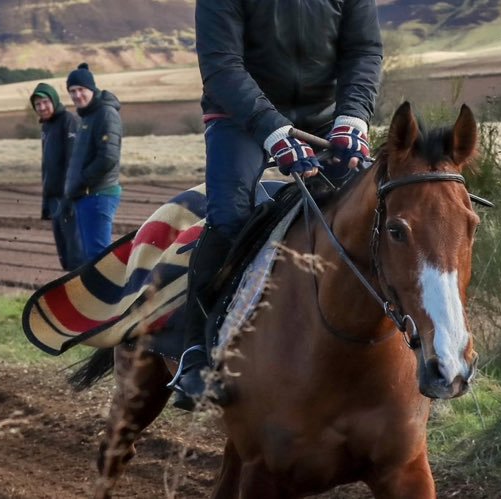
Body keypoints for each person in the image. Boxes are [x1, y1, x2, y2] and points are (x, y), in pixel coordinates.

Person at [167, 0, 383, 410]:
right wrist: (272, 130)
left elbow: (364, 50)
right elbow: (221, 64)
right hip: (238, 116)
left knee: (363, 219)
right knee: (230, 218)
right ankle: (196, 353)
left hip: (326, 117)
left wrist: (353, 116)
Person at [64, 63, 124, 262]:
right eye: (72, 91)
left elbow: (108, 157)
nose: (77, 95)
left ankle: (110, 293)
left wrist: (82, 180)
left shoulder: (105, 114)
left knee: (99, 258)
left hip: (99, 195)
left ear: (91, 89)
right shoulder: (87, 116)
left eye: (81, 89)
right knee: (91, 257)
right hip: (86, 195)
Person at [31, 82, 81, 270]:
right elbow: (47, 167)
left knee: (76, 250)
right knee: (64, 251)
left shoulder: (69, 121)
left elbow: (73, 162)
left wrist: (69, 196)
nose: (42, 107)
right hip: (53, 198)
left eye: (45, 102)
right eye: (37, 105)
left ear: (54, 100)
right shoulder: (46, 127)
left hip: (68, 197)